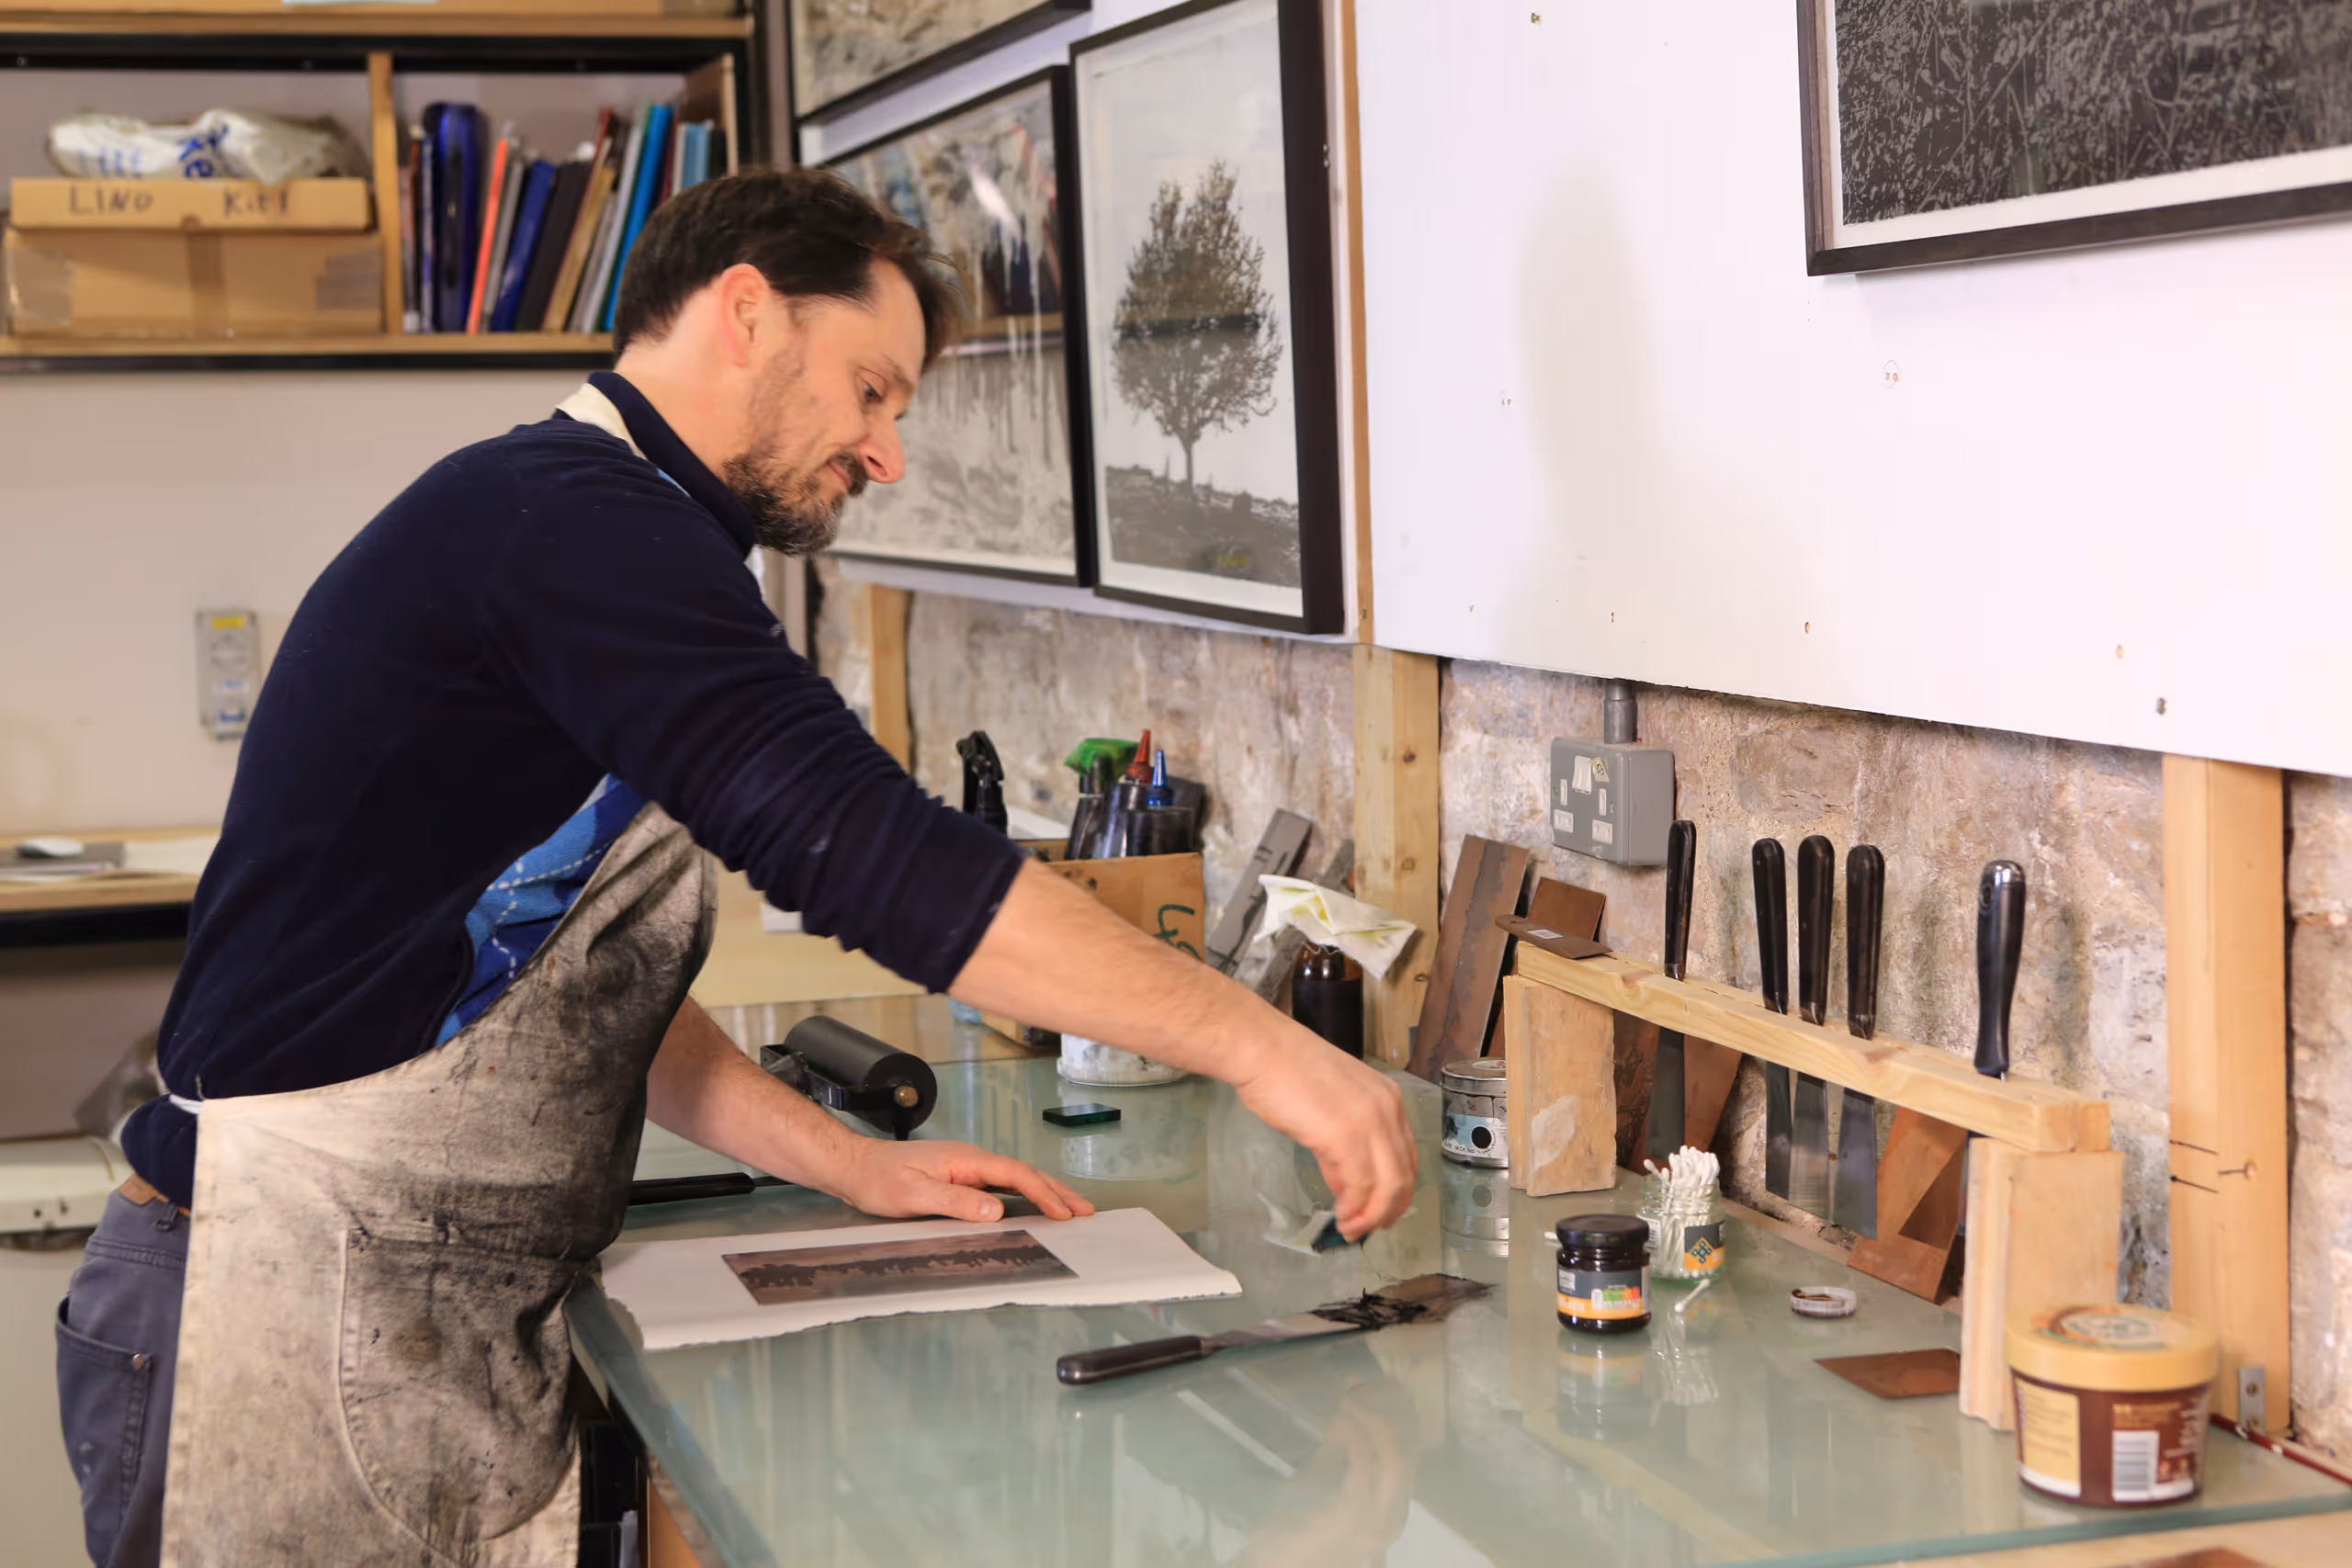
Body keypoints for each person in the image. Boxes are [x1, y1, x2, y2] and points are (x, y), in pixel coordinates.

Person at [53, 166, 1418, 1568]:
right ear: (750, 313)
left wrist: (845, 1162)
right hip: (262, 1291)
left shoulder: (608, 529)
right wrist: (1265, 1047)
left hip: (386, 1292)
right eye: (873, 390)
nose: (887, 452)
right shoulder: (572, 525)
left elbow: (557, 982)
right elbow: (865, 852)